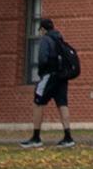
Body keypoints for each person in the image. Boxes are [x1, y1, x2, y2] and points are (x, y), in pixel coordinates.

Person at [21, 17, 75, 148]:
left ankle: (36, 137)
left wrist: (41, 73)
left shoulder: (46, 39)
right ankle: (68, 137)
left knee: (38, 102)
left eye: (40, 29)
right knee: (62, 104)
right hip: (62, 77)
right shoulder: (59, 38)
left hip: (49, 76)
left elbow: (42, 59)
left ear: (43, 29)